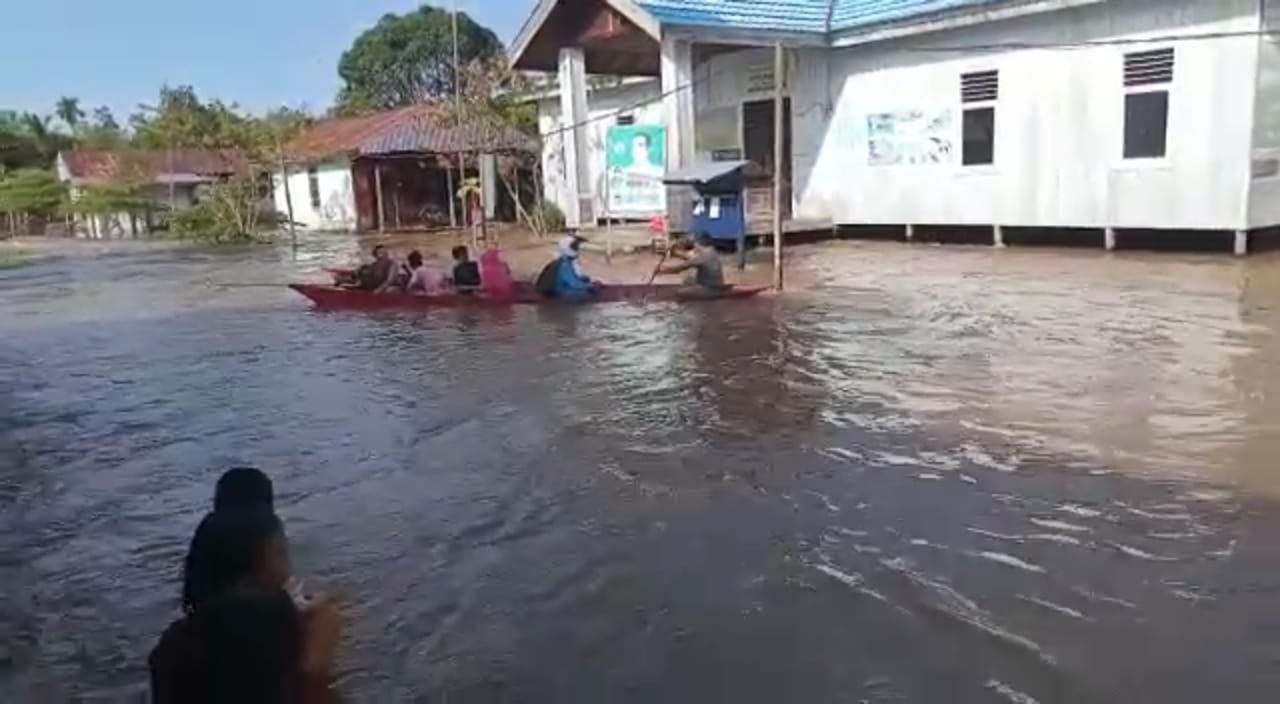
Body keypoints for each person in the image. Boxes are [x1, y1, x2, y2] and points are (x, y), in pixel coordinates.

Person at [150, 509, 341, 704]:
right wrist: (315, 668)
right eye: (280, 555)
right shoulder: (274, 633)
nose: (287, 573)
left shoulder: (172, 647)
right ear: (248, 574)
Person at [655, 233, 727, 294]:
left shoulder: (702, 255)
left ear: (698, 243)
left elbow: (678, 269)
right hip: (715, 287)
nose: (694, 247)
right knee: (689, 281)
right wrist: (674, 252)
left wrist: (662, 270)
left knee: (678, 292)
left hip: (708, 289)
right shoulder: (711, 251)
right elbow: (689, 257)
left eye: (695, 244)